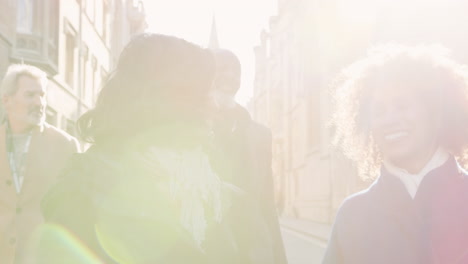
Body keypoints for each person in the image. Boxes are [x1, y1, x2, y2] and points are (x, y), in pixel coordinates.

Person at [37, 33, 256, 264]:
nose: (215, 103)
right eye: (206, 91)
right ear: (174, 97)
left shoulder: (210, 181)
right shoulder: (83, 186)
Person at [323, 44, 468, 264]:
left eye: (402, 106)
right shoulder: (353, 215)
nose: (389, 119)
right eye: (379, 111)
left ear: (436, 113)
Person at [211, 49, 288, 264]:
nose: (230, 76)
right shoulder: (189, 127)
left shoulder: (261, 135)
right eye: (222, 69)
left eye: (236, 71)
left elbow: (267, 205)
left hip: (252, 253)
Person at [0, 64, 80, 264]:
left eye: (42, 95)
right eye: (30, 95)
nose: (39, 102)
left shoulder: (66, 145)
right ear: (6, 100)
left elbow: (75, 210)